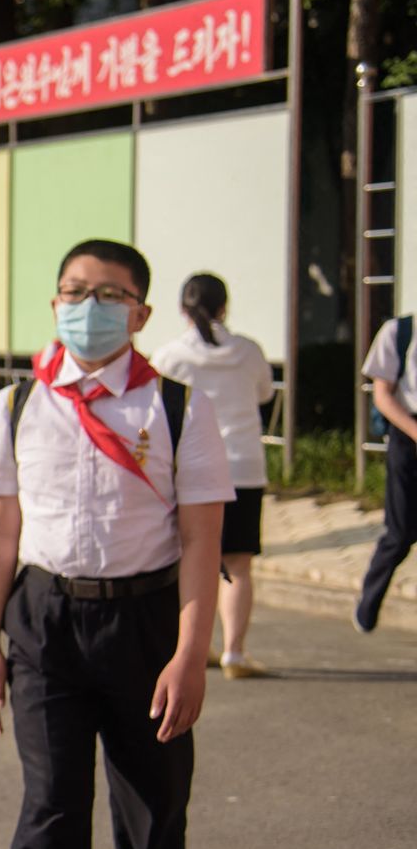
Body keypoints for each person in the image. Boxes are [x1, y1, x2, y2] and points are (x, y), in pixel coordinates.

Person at [0, 239, 233, 849]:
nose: (89, 308)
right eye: (74, 291)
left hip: (146, 625)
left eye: (110, 294)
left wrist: (192, 653)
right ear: (54, 304)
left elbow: (200, 542)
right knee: (49, 809)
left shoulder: (178, 409)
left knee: (151, 807)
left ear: (141, 313)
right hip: (45, 625)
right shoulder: (18, 405)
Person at [151, 273, 277, 677]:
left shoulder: (170, 356)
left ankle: (193, 646)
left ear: (181, 310)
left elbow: (152, 409)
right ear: (225, 307)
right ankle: (235, 654)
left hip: (188, 470)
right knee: (238, 566)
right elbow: (264, 394)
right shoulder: (249, 350)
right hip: (243, 466)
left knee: (189, 559)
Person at [356, 311, 417, 633]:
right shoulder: (399, 331)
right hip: (407, 435)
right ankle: (369, 600)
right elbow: (382, 395)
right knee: (401, 532)